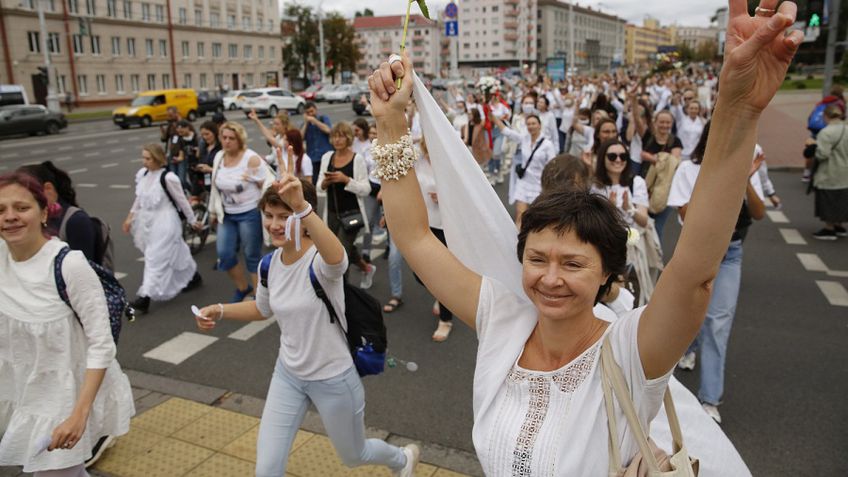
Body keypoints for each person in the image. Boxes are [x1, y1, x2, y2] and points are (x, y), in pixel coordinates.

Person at [368, 0, 800, 469]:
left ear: (607, 275)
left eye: (572, 263)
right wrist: (391, 122)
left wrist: (737, 107)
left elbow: (695, 272)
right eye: (537, 259)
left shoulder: (631, 353)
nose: (550, 278)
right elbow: (415, 238)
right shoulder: (502, 321)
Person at [193, 158, 419, 476]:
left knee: (354, 455)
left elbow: (338, 259)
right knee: (267, 469)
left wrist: (302, 207)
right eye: (269, 215)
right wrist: (219, 310)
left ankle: (401, 459)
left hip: (334, 379)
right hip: (288, 375)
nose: (274, 224)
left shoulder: (320, 262)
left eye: (284, 216)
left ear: (301, 218)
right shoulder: (269, 264)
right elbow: (262, 309)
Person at [0, 172, 134, 476]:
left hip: (60, 397)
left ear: (45, 211)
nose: (10, 217)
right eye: (1, 210)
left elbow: (102, 344)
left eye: (21, 208)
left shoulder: (68, 265)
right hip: (18, 390)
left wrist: (79, 414)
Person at [668, 120, 766, 424]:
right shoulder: (689, 169)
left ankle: (709, 398)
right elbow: (684, 211)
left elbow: (760, 213)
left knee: (717, 323)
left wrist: (745, 178)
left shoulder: (746, 166)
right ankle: (689, 346)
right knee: (691, 314)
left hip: (731, 253)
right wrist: (717, 176)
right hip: (697, 251)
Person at [122, 144, 202, 314]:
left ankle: (145, 297)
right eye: (143, 158)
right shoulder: (143, 174)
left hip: (166, 222)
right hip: (148, 222)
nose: (144, 162)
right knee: (178, 250)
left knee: (154, 258)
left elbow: (182, 201)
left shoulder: (168, 177)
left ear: (158, 159)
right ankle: (194, 276)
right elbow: (139, 198)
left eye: (148, 159)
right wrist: (130, 217)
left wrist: (193, 220)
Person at [209, 121, 271, 302]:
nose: (226, 141)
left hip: (249, 212)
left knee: (251, 254)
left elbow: (266, 184)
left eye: (231, 138)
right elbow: (215, 187)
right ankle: (243, 288)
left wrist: (254, 180)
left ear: (239, 139)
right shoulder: (219, 157)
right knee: (225, 254)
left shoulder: (250, 158)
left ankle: (260, 298)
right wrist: (213, 211)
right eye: (224, 137)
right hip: (227, 214)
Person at [316, 122, 376, 289]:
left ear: (349, 138)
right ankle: (367, 268)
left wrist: (346, 180)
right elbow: (318, 186)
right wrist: (325, 183)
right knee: (343, 248)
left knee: (340, 256)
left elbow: (366, 189)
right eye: (334, 136)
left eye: (341, 136)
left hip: (352, 214)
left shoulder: (357, 159)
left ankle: (343, 294)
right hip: (332, 213)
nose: (337, 139)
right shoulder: (327, 157)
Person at [16, 161, 99, 264]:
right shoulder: (30, 218)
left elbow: (84, 267)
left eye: (26, 193)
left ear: (48, 189)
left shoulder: (75, 220)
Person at [416, 139, 454, 341]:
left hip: (444, 226)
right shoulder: (418, 161)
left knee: (441, 274)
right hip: (422, 223)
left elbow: (463, 194)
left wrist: (445, 197)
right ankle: (441, 296)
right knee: (418, 273)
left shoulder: (449, 163)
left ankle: (446, 320)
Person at [492, 113, 557, 226]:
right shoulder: (524, 139)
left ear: (539, 125)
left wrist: (549, 187)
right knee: (520, 215)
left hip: (539, 185)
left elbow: (552, 167)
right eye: (528, 124)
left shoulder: (548, 145)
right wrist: (493, 117)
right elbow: (507, 132)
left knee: (536, 218)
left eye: (533, 123)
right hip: (523, 182)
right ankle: (518, 240)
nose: (531, 126)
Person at [639, 109, 683, 242]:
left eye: (668, 122)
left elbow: (673, 162)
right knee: (642, 224)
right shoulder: (648, 136)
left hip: (665, 190)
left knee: (658, 227)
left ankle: (656, 258)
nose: (665, 125)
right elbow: (666, 161)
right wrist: (661, 159)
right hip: (644, 187)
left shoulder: (675, 141)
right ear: (655, 122)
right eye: (662, 122)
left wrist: (651, 158)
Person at [809, 105, 848, 240]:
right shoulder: (846, 128)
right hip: (845, 172)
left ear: (826, 116)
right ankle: (840, 226)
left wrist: (813, 147)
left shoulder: (826, 132)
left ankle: (829, 228)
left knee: (829, 200)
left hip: (830, 172)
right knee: (842, 200)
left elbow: (822, 154)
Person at [592, 140, 649, 228]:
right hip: (603, 238)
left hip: (631, 238)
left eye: (623, 156)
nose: (618, 160)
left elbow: (644, 221)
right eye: (612, 156)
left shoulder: (637, 182)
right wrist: (609, 209)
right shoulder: (594, 186)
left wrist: (629, 209)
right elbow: (591, 221)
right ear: (602, 158)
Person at [301, 102, 333, 184]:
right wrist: (306, 123)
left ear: (316, 110)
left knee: (328, 181)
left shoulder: (323, 118)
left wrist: (315, 121)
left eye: (312, 111)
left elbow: (328, 130)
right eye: (308, 113)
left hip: (326, 155)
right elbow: (300, 137)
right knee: (315, 182)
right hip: (312, 158)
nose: (310, 114)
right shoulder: (305, 124)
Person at [193, 121, 222, 195]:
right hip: (207, 185)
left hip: (220, 184)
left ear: (214, 133)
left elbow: (227, 170)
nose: (205, 137)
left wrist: (210, 169)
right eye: (202, 135)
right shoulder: (204, 148)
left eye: (207, 134)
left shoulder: (221, 148)